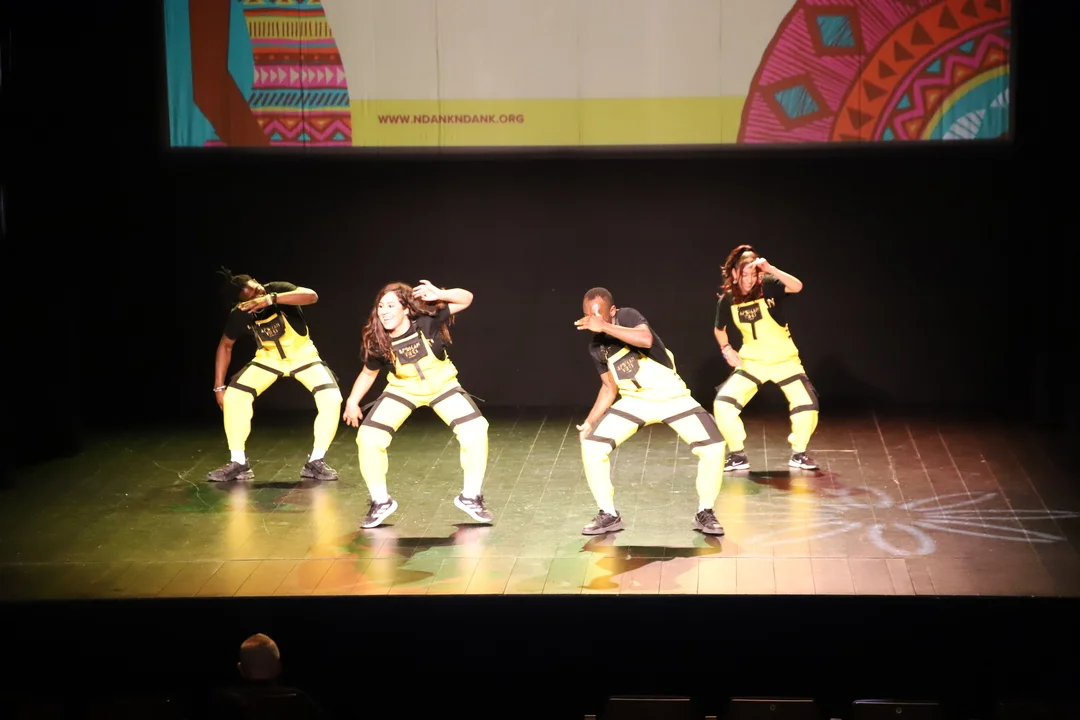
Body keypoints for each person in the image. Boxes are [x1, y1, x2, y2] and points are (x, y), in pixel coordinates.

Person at [574, 288, 726, 536]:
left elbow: (645, 339)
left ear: (612, 311)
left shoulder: (627, 317)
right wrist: (590, 421)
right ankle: (608, 514)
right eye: (589, 316)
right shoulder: (596, 347)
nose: (594, 320)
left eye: (599, 314)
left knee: (714, 446)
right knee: (592, 446)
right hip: (635, 402)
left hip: (671, 397)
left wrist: (604, 326)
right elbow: (609, 388)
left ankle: (705, 511)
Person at [344, 280, 492, 528]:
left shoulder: (427, 321)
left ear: (405, 309)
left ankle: (471, 496)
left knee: (476, 430)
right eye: (381, 306)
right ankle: (380, 502)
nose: (384, 311)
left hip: (442, 387)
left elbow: (467, 298)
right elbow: (368, 373)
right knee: (368, 437)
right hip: (402, 390)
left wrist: (440, 293)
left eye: (391, 305)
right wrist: (352, 401)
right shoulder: (378, 339)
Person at [208, 269, 342, 483]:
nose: (257, 294)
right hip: (268, 359)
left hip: (303, 356)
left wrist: (271, 299)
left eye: (255, 288)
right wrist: (218, 386)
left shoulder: (278, 289)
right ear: (242, 302)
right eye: (250, 297)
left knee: (332, 399)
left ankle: (316, 462)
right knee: (234, 398)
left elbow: (311, 296)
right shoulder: (240, 313)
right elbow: (225, 345)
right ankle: (238, 463)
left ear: (255, 280)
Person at [713, 245, 819, 471]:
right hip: (752, 363)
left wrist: (771, 269)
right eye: (745, 274)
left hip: (785, 361)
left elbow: (797, 286)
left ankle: (799, 453)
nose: (749, 280)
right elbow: (719, 329)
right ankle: (737, 455)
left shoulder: (769, 285)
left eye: (754, 274)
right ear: (734, 273)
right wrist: (727, 349)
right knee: (723, 404)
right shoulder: (729, 299)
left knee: (807, 405)